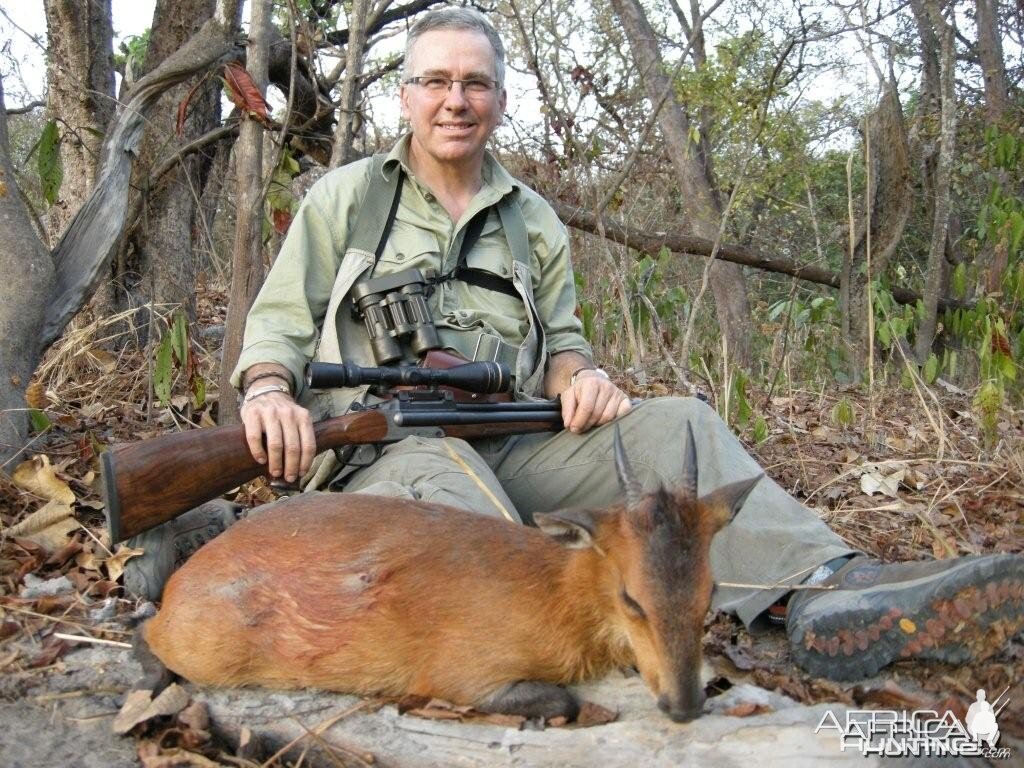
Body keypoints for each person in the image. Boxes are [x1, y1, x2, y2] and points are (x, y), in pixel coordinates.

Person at [125, 7, 1023, 683]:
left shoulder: (535, 219)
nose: (455, 100)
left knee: (680, 429)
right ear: (405, 95)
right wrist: (270, 393)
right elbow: (276, 326)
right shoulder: (345, 199)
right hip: (384, 457)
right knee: (471, 525)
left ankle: (826, 590)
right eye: (436, 81)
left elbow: (564, 346)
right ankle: (592, 640)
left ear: (498, 99)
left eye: (474, 84)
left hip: (519, 438)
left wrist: (583, 377)